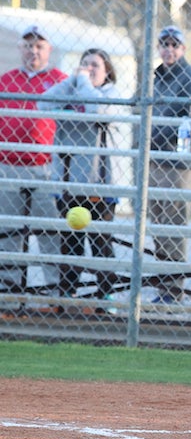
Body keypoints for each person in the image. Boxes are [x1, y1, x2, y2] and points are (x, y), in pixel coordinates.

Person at [38, 48, 129, 301]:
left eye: (95, 66)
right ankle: (68, 294)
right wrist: (71, 81)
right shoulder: (72, 88)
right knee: (70, 243)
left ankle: (106, 296)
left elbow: (97, 109)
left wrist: (84, 82)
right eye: (84, 64)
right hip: (67, 181)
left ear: (107, 71)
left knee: (101, 243)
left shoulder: (111, 94)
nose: (88, 70)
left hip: (99, 183)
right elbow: (43, 103)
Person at [0, 25, 68, 295]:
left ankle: (53, 291)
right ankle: (8, 292)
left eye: (39, 46)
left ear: (49, 49)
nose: (33, 51)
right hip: (8, 166)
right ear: (20, 49)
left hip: (43, 166)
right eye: (28, 45)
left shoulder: (60, 80)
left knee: (48, 230)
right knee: (9, 233)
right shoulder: (7, 80)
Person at [148, 25, 191, 304]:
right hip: (155, 158)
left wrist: (162, 131)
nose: (169, 50)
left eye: (175, 45)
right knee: (157, 223)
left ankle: (173, 290)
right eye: (165, 44)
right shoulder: (157, 77)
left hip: (179, 161)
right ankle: (164, 285)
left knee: (173, 223)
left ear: (183, 49)